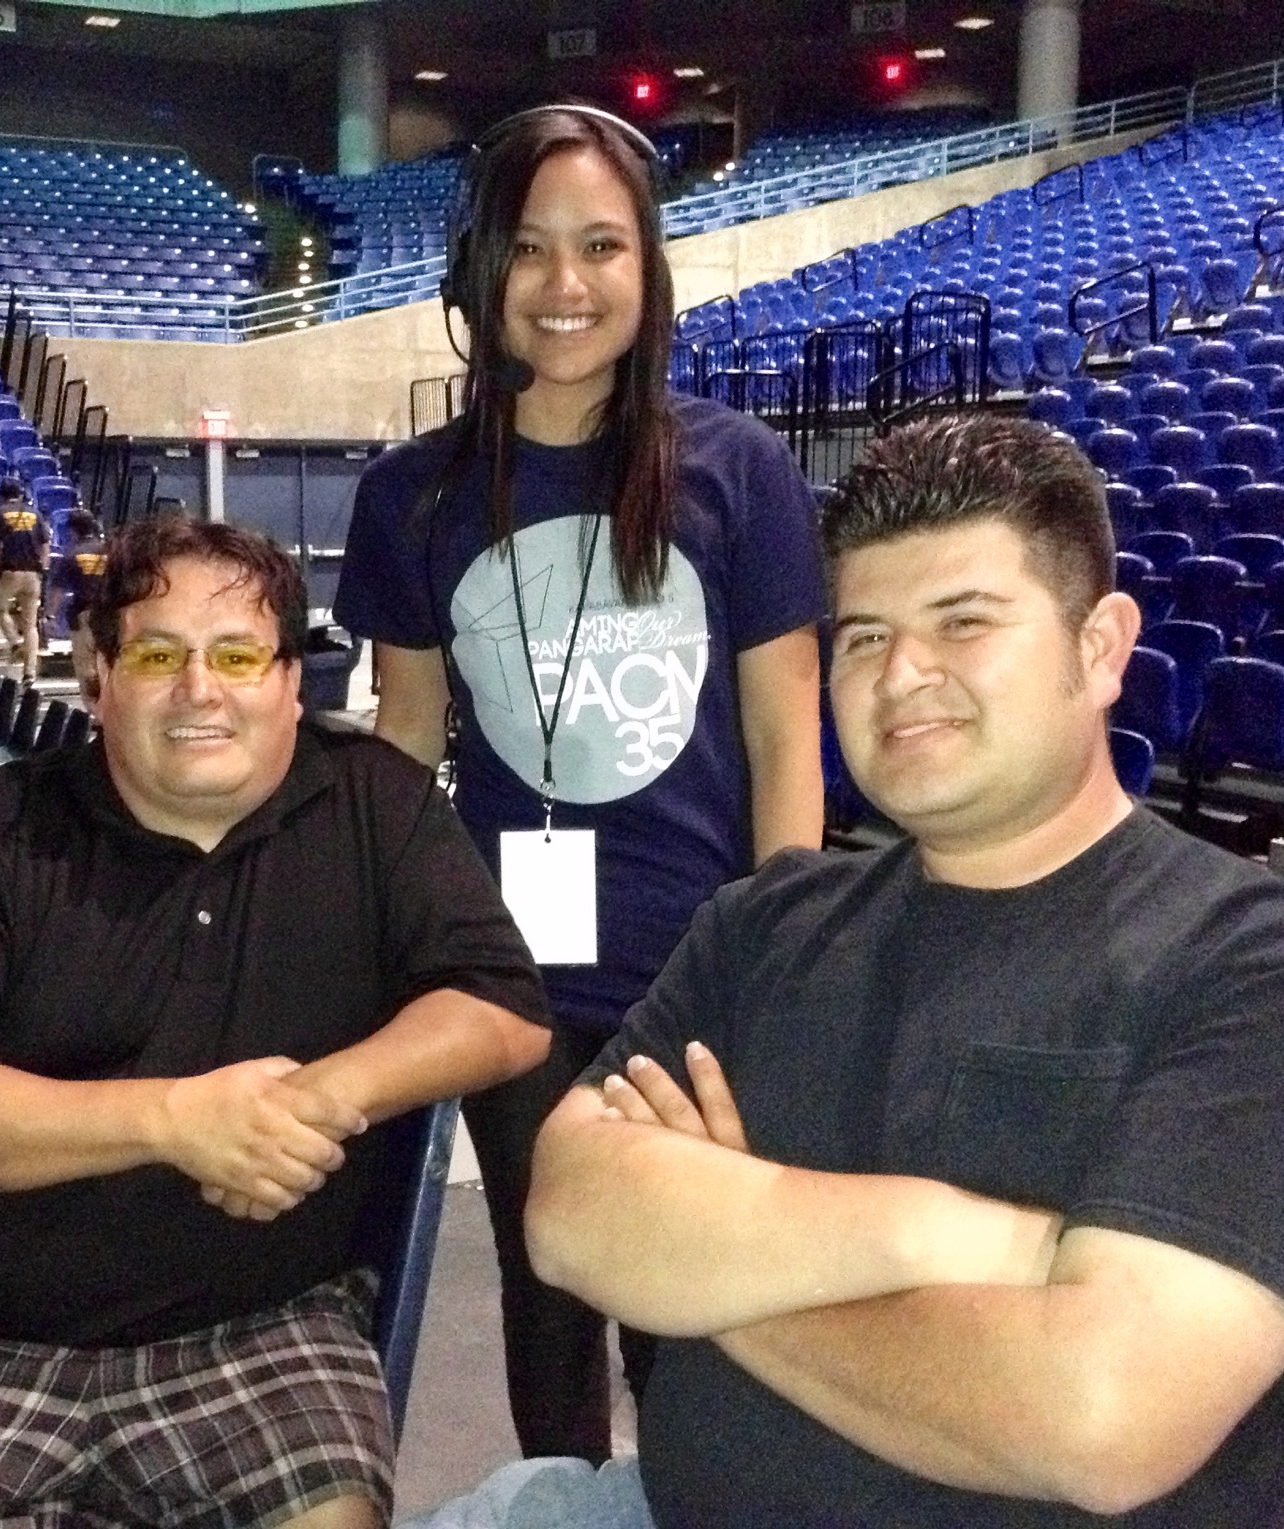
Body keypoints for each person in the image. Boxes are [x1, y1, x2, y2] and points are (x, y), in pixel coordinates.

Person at [415, 414, 1284, 1527]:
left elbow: (1098, 1418)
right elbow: (569, 1212)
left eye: (963, 621)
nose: (901, 673)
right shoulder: (763, 925)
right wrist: (940, 1231)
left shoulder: (1275, 981)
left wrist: (707, 1267)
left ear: (1100, 647)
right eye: (863, 636)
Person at [0, 516, 554, 1529]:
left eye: (237, 655)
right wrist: (176, 1120)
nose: (200, 689)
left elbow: (503, 1007)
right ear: (99, 677)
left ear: (290, 680)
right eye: (156, 655)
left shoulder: (376, 805)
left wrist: (316, 1096)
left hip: (258, 1330)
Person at [333, 104, 826, 1462]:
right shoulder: (411, 496)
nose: (564, 283)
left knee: (689, 1306)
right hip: (511, 977)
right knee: (546, 1285)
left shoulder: (738, 469)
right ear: (480, 268)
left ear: (646, 268)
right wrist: (383, 944)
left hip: (699, 966)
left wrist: (775, 954)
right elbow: (405, 739)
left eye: (601, 245)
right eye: (528, 246)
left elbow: (785, 735)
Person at [0, 477, 49, 681]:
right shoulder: (35, 513)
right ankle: (30, 672)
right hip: (33, 574)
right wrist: (43, 569)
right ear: (20, 495)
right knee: (30, 625)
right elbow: (45, 546)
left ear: (2, 495)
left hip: (10, 572)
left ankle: (15, 642)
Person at [55, 508, 108, 697]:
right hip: (109, 613)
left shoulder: (71, 554)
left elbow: (57, 588)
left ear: (72, 530)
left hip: (84, 614)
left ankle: (92, 707)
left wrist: (50, 614)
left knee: (85, 664)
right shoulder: (110, 551)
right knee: (106, 660)